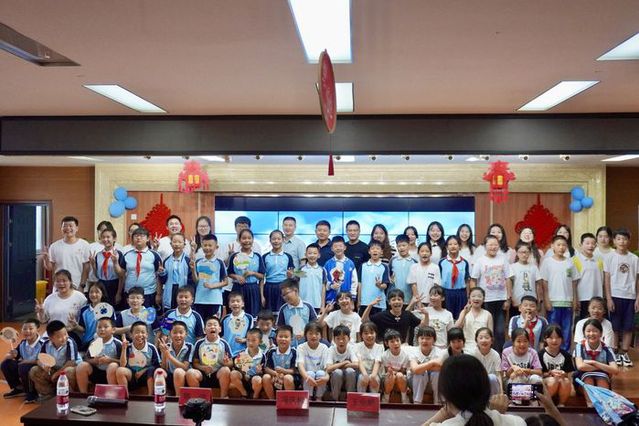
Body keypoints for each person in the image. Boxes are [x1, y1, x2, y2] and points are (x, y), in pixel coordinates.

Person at [422, 354, 526, 426]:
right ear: (486, 386)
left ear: (446, 393)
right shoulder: (517, 422)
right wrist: (496, 415)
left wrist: (446, 411)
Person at [603, 228, 639, 367]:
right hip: (615, 296)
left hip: (630, 297)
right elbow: (606, 279)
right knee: (615, 327)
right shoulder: (609, 257)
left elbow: (637, 280)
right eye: (618, 239)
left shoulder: (634, 259)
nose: (622, 241)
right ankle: (615, 352)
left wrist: (637, 298)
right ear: (614, 241)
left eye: (624, 239)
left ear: (628, 241)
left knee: (628, 327)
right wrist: (609, 298)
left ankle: (624, 353)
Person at [470, 235, 511, 351]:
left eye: (495, 244)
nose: (493, 247)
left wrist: (508, 298)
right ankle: (485, 353)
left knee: (500, 331)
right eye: (490, 244)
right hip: (486, 300)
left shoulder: (503, 259)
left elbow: (508, 278)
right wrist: (474, 297)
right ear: (485, 246)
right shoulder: (480, 261)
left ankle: (499, 355)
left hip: (501, 299)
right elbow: (473, 280)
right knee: (486, 330)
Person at [541, 235, 580, 351]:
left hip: (567, 302)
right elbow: (544, 283)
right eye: (558, 245)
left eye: (564, 245)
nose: (561, 247)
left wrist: (575, 300)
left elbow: (574, 283)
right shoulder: (547, 262)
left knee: (566, 330)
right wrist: (546, 300)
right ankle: (551, 353)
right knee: (552, 330)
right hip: (553, 302)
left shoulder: (570, 262)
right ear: (552, 246)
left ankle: (565, 353)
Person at [29, 320, 82, 399]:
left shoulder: (70, 342)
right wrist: (44, 366)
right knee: (34, 370)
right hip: (55, 369)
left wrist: (57, 374)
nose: (64, 338)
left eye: (65, 334)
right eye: (59, 337)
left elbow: (71, 362)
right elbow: (39, 360)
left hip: (70, 369)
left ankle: (70, 396)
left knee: (68, 371)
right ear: (51, 338)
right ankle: (49, 396)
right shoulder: (46, 344)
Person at [34, 269, 87, 344]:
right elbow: (43, 320)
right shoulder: (49, 299)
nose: (61, 283)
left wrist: (75, 326)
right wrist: (41, 312)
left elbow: (85, 323)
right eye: (58, 281)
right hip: (53, 333)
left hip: (72, 334)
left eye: (64, 281)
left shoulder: (80, 298)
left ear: (70, 282)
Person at [574, 318, 618, 407]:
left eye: (595, 331)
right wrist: (604, 367)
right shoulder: (579, 346)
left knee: (602, 379)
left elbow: (615, 370)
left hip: (602, 377)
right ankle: (590, 405)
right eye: (588, 331)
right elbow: (580, 366)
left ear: (601, 333)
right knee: (588, 379)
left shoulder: (607, 349)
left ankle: (604, 407)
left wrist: (594, 362)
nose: (591, 334)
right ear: (584, 333)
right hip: (582, 379)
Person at [186, 316, 233, 398]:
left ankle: (223, 397)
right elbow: (195, 363)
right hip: (203, 374)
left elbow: (231, 363)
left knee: (226, 370)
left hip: (218, 374)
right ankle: (197, 399)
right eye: (209, 325)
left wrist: (226, 363)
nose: (212, 327)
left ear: (220, 329)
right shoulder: (199, 343)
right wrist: (203, 368)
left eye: (215, 325)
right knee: (190, 372)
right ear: (204, 330)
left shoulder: (224, 344)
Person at [116, 227, 162, 308]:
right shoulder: (127, 255)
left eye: (142, 236)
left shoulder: (154, 255)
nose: (138, 238)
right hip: (130, 293)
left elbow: (159, 276)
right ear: (132, 239)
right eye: (136, 236)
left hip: (148, 293)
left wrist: (158, 294)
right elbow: (121, 275)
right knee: (130, 315)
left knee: (146, 315)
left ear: (148, 239)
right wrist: (119, 293)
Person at [42, 216, 91, 291]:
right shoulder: (54, 246)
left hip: (78, 286)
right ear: (61, 228)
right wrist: (46, 260)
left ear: (77, 228)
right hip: (60, 286)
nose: (68, 228)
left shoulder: (84, 244)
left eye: (71, 226)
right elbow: (50, 267)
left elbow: (86, 267)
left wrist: (82, 285)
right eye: (64, 226)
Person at [364, 289, 428, 344]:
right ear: (389, 302)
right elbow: (364, 320)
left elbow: (423, 325)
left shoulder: (407, 315)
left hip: (402, 347)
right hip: (385, 347)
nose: (397, 301)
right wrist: (370, 305)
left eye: (399, 299)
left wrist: (426, 314)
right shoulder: (382, 315)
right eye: (393, 300)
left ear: (403, 301)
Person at [76, 317, 122, 393]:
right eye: (99, 327)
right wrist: (94, 361)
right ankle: (83, 393)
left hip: (112, 374)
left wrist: (110, 360)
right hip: (97, 372)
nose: (102, 329)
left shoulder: (117, 344)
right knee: (82, 366)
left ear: (113, 330)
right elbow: (86, 359)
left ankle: (113, 395)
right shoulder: (95, 343)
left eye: (106, 327)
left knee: (113, 366)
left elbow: (123, 363)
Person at [1, 318, 42, 402]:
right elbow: (16, 355)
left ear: (37, 329)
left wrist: (27, 362)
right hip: (24, 367)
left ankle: (32, 393)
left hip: (38, 368)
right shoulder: (23, 343)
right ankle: (19, 388)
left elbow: (42, 361)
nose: (27, 331)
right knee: (6, 364)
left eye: (31, 328)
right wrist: (11, 355)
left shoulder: (43, 343)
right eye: (24, 329)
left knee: (24, 367)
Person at [114, 321, 160, 394]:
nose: (140, 335)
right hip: (132, 375)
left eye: (143, 332)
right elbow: (122, 365)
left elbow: (157, 365)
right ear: (131, 335)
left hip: (146, 375)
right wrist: (124, 349)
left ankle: (150, 395)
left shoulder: (151, 348)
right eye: (137, 332)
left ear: (147, 335)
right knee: (120, 370)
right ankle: (125, 395)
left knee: (151, 370)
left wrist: (143, 370)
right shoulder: (128, 347)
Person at [227, 229, 265, 318]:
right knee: (237, 316)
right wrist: (236, 277)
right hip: (237, 289)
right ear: (239, 240)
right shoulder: (234, 256)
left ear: (252, 240)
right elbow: (229, 273)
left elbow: (262, 275)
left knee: (253, 316)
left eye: (249, 238)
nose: (247, 240)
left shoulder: (257, 256)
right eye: (244, 238)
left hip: (253, 289)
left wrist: (252, 273)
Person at [72, 282, 116, 351]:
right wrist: (75, 325)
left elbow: (112, 327)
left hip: (105, 341)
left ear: (102, 293)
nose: (93, 294)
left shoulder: (108, 308)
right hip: (87, 343)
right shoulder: (84, 310)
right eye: (91, 292)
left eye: (97, 292)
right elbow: (83, 329)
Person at [192, 234, 227, 319]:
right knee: (201, 324)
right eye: (205, 245)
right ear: (202, 246)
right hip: (199, 300)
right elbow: (196, 281)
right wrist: (193, 269)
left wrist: (212, 286)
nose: (207, 248)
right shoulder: (198, 262)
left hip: (215, 300)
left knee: (214, 324)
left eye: (210, 245)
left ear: (216, 247)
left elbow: (226, 282)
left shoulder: (219, 262)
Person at [538, 325, 574, 407]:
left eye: (558, 337)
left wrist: (563, 374)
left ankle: (561, 404)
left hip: (560, 381)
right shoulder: (540, 354)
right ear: (545, 339)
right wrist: (550, 373)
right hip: (546, 382)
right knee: (553, 381)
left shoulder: (566, 355)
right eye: (551, 338)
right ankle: (543, 404)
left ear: (562, 339)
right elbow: (538, 374)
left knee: (565, 381)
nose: (554, 340)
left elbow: (569, 375)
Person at [157, 233, 194, 311]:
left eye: (180, 242)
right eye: (174, 242)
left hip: (184, 289)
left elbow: (192, 279)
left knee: (182, 310)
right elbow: (163, 281)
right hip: (170, 289)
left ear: (184, 244)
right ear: (171, 244)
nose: (177, 244)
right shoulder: (166, 261)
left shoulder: (188, 260)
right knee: (169, 311)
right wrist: (162, 273)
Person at [277, 279, 318, 347]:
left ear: (296, 291)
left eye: (287, 293)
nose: (285, 297)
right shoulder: (283, 309)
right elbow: (280, 328)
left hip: (307, 345)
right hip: (290, 346)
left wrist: (305, 332)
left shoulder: (308, 307)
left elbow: (314, 325)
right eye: (283, 295)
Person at [573, 233, 604, 320]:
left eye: (593, 243)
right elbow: (574, 283)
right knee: (583, 323)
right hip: (582, 298)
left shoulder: (599, 260)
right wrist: (576, 299)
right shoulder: (575, 260)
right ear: (581, 245)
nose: (590, 246)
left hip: (597, 298)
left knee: (597, 323)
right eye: (587, 243)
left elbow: (602, 280)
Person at [262, 325, 299, 399]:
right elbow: (266, 368)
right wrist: (276, 374)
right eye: (280, 336)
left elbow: (294, 370)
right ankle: (272, 400)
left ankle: (289, 402)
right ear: (276, 338)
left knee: (288, 378)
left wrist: (283, 371)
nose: (283, 339)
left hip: (290, 379)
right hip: (275, 378)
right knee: (266, 377)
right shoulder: (271, 351)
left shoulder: (294, 352)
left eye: (286, 337)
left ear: (291, 339)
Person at [262, 230, 295, 314]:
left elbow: (291, 275)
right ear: (270, 240)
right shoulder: (265, 257)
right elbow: (261, 278)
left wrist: (290, 275)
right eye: (274, 239)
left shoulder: (288, 257)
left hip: (283, 287)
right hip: (268, 287)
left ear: (283, 240)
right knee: (269, 314)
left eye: (279, 239)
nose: (276, 241)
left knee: (283, 313)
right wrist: (262, 295)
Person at [296, 322, 329, 400]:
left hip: (320, 377)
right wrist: (307, 377)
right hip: (306, 377)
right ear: (305, 335)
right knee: (310, 373)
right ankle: (308, 398)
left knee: (321, 373)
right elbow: (300, 365)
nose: (314, 336)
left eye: (317, 334)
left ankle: (319, 398)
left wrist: (327, 377)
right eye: (310, 333)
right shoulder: (301, 347)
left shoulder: (324, 347)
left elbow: (327, 366)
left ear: (321, 336)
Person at [157, 320, 192, 396]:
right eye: (175, 332)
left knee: (178, 371)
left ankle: (178, 397)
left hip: (183, 377)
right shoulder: (166, 346)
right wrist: (164, 354)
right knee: (158, 371)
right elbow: (164, 368)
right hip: (170, 377)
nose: (178, 335)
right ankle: (161, 396)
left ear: (186, 334)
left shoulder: (189, 346)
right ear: (170, 334)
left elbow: (185, 367)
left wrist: (168, 355)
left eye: (181, 332)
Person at [438, 236, 470, 319]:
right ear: (446, 247)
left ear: (459, 246)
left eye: (455, 244)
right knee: (447, 318)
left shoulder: (464, 262)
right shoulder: (442, 262)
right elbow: (438, 280)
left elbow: (467, 280)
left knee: (460, 317)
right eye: (450, 244)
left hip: (461, 294)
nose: (453, 246)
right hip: (446, 293)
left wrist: (468, 297)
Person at [410, 326, 443, 404]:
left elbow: (442, 367)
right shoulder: (413, 351)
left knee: (437, 374)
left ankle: (438, 402)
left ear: (434, 340)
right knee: (421, 374)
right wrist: (432, 363)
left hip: (433, 380)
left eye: (428, 338)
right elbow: (415, 370)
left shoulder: (439, 352)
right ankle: (417, 403)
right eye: (422, 338)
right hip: (414, 380)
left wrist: (421, 367)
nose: (424, 341)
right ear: (417, 339)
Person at [91, 227, 123, 305]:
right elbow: (97, 275)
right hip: (101, 285)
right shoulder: (98, 255)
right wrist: (93, 265)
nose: (105, 239)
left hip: (114, 285)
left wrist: (119, 293)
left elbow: (122, 276)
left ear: (114, 239)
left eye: (108, 237)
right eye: (103, 237)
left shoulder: (118, 254)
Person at [326, 325, 359, 401]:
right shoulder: (331, 349)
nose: (341, 341)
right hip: (335, 380)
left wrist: (337, 365)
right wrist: (345, 362)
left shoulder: (351, 348)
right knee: (338, 372)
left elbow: (356, 364)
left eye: (343, 338)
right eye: (338, 338)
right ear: (334, 339)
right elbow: (328, 368)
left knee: (350, 371)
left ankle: (350, 399)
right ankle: (335, 399)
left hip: (349, 379)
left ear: (349, 339)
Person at [230, 327, 265, 399]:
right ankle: (244, 394)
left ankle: (256, 396)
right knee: (233, 373)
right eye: (248, 340)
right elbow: (237, 368)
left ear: (260, 341)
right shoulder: (241, 354)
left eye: (254, 340)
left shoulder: (263, 355)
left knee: (257, 379)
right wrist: (243, 373)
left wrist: (260, 372)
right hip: (244, 380)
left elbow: (265, 371)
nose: (250, 343)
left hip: (256, 381)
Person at [510, 241, 542, 318]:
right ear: (517, 253)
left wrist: (539, 301)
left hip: (531, 303)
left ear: (530, 253)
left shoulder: (534, 267)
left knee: (531, 322)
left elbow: (538, 285)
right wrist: (510, 299)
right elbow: (509, 284)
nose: (524, 255)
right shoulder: (512, 267)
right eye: (521, 252)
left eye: (526, 252)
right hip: (517, 302)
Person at [456, 287, 493, 353]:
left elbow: (490, 334)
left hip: (482, 347)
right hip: (466, 347)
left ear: (483, 299)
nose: (476, 298)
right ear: (469, 299)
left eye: (479, 296)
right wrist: (464, 313)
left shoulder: (488, 314)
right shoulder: (464, 312)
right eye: (473, 296)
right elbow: (456, 328)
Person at [358, 241, 389, 315]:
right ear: (369, 251)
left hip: (378, 302)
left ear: (381, 252)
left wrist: (379, 285)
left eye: (377, 249)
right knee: (363, 321)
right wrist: (359, 300)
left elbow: (385, 285)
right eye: (372, 249)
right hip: (364, 302)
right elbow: (359, 284)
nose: (375, 250)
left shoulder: (384, 267)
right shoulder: (363, 266)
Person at [324, 236, 358, 304]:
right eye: (335, 246)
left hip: (346, 299)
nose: (338, 248)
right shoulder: (328, 264)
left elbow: (354, 281)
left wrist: (353, 295)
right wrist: (331, 286)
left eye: (340, 246)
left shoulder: (350, 263)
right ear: (332, 248)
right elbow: (324, 280)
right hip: (331, 299)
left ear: (345, 247)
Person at [380, 329, 410, 403]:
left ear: (401, 341)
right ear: (387, 344)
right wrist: (391, 372)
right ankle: (386, 397)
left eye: (397, 340)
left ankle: (404, 398)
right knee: (391, 376)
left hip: (401, 375)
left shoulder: (406, 355)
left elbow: (403, 371)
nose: (396, 343)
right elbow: (387, 371)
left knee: (399, 375)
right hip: (389, 375)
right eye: (392, 341)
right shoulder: (385, 355)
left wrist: (396, 373)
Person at [221, 291, 254, 356]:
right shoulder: (225, 319)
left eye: (238, 301)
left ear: (243, 304)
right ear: (229, 305)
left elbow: (253, 335)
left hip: (242, 353)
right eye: (232, 301)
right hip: (227, 353)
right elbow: (221, 336)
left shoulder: (249, 318)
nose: (235, 303)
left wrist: (244, 340)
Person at [409, 242, 442, 306]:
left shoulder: (435, 267)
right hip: (417, 301)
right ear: (418, 253)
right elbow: (413, 285)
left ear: (431, 253)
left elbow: (436, 286)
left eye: (427, 251)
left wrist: (432, 302)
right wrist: (418, 302)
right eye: (422, 251)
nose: (424, 253)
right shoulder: (414, 267)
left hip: (431, 301)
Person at [354, 321, 383, 393]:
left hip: (375, 373)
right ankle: (360, 399)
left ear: (376, 334)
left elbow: (377, 362)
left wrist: (372, 376)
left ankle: (374, 399)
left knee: (375, 379)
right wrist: (365, 375)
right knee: (361, 378)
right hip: (361, 373)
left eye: (372, 333)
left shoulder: (380, 347)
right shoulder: (357, 346)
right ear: (361, 335)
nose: (369, 335)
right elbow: (360, 362)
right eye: (366, 333)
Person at [472, 327, 502, 395]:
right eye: (481, 338)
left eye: (487, 337)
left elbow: (498, 375)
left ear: (492, 340)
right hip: (477, 383)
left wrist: (501, 393)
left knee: (492, 377)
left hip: (491, 384)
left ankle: (493, 400)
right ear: (476, 341)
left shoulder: (495, 355)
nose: (484, 340)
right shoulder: (473, 354)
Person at [422, 285, 454, 349]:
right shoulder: (425, 311)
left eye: (435, 295)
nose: (432, 297)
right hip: (427, 347)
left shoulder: (448, 314)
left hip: (442, 347)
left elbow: (451, 333)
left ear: (443, 298)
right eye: (431, 295)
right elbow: (422, 328)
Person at [298, 244, 327, 311]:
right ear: (305, 255)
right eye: (310, 253)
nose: (312, 255)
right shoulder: (301, 269)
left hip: (317, 304)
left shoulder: (322, 270)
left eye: (315, 253)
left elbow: (323, 289)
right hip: (303, 304)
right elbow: (296, 286)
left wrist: (322, 306)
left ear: (319, 255)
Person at [391, 234, 417, 301]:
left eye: (404, 245)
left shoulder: (414, 262)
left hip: (410, 298)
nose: (401, 248)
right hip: (395, 298)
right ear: (396, 247)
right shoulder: (393, 260)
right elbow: (389, 276)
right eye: (399, 246)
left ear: (409, 246)